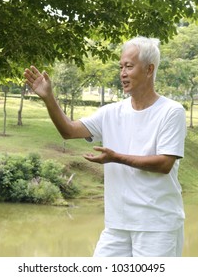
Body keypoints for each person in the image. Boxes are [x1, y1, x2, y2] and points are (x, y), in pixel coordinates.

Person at [24, 36, 186, 257]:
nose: (122, 73)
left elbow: (164, 163)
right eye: (121, 67)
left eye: (129, 66)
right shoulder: (111, 112)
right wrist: (48, 97)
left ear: (149, 70)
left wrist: (116, 157)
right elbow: (69, 131)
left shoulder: (171, 111)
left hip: (157, 226)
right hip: (117, 226)